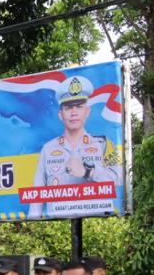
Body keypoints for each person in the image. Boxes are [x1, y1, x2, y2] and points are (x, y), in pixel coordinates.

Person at [28, 75, 121, 218]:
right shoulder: (48, 149)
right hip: (57, 226)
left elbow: (120, 181)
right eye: (68, 107)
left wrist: (88, 172)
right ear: (60, 114)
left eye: (79, 106)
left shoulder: (104, 145)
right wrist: (34, 226)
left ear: (87, 112)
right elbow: (36, 196)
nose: (74, 113)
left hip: (97, 224)